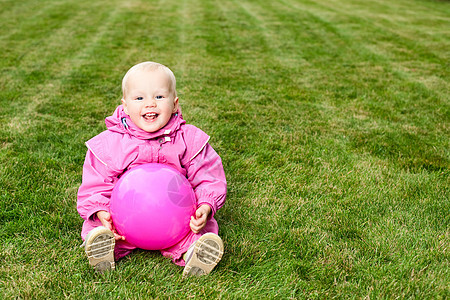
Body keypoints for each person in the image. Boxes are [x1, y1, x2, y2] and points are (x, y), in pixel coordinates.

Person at [77, 61, 226, 277]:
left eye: (159, 97)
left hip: (178, 221)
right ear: (125, 106)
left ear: (175, 104)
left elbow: (207, 176)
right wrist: (101, 211)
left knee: (197, 230)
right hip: (121, 221)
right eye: (139, 98)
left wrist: (206, 205)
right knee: (100, 228)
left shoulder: (189, 139)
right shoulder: (111, 144)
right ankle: (105, 246)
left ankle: (194, 252)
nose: (150, 104)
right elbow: (96, 183)